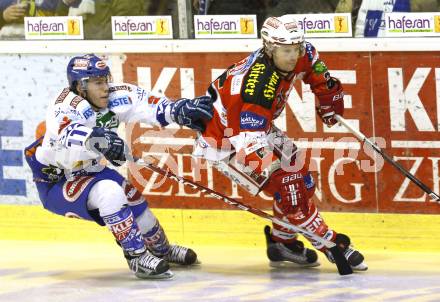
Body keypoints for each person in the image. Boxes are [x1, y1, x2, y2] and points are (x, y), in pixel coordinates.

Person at [192, 15, 367, 271]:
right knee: (288, 183)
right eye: (286, 50)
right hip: (225, 139)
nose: (293, 56)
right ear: (269, 48)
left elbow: (314, 66)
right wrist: (278, 173)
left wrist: (326, 95)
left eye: (296, 48)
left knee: (301, 178)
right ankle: (328, 242)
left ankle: (282, 243)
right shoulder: (258, 85)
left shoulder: (299, 52)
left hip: (255, 128)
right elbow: (249, 143)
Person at [24, 54, 213, 279]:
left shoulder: (115, 95)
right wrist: (98, 139)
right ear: (80, 87)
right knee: (110, 193)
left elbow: (147, 105)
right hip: (58, 180)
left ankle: (162, 251)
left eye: (106, 80)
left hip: (92, 170)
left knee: (138, 206)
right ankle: (137, 258)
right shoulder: (63, 104)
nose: (105, 88)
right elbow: (66, 134)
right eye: (97, 82)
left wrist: (176, 110)